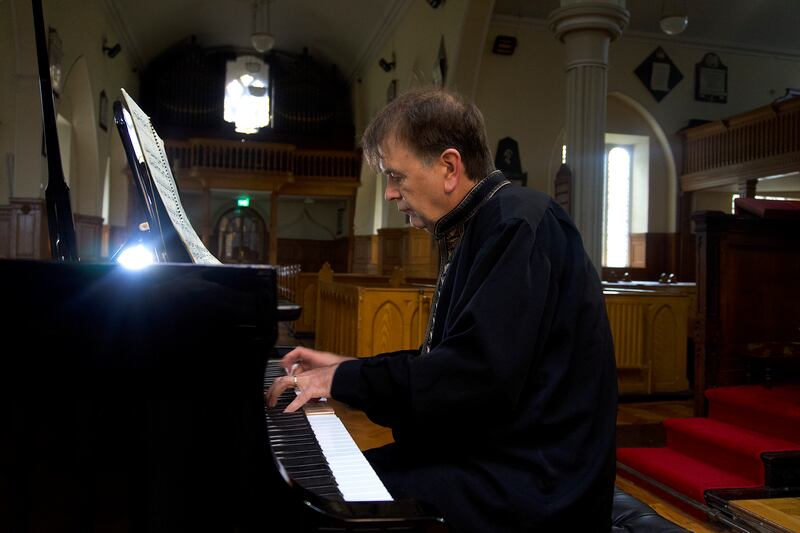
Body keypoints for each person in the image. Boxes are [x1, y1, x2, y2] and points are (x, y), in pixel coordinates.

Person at [266, 88, 617, 532]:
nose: (391, 194)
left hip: (534, 482)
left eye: (395, 176)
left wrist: (346, 380)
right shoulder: (481, 224)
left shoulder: (517, 224)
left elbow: (473, 380)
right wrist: (347, 368)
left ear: (449, 167)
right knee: (320, 486)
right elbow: (451, 365)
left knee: (325, 505)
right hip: (492, 455)